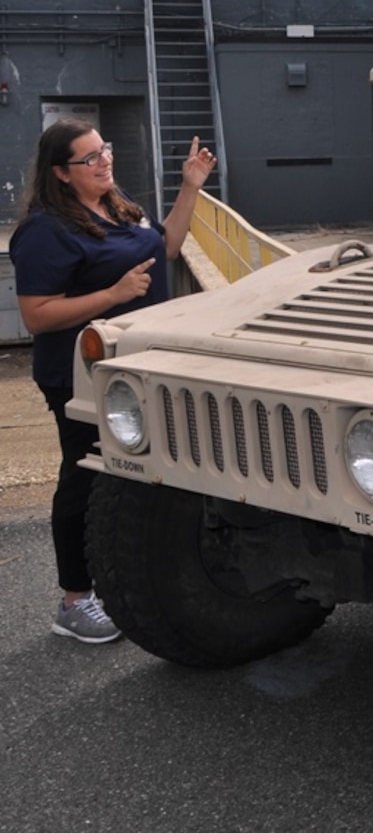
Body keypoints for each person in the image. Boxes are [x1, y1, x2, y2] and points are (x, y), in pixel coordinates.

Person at [11, 121, 217, 643]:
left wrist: (190, 185)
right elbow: (36, 315)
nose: (104, 161)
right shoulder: (45, 230)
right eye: (89, 159)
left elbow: (165, 248)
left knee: (137, 473)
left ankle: (126, 576)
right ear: (60, 173)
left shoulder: (114, 202)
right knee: (85, 476)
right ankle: (75, 601)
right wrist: (114, 294)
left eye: (104, 150)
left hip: (140, 369)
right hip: (82, 375)